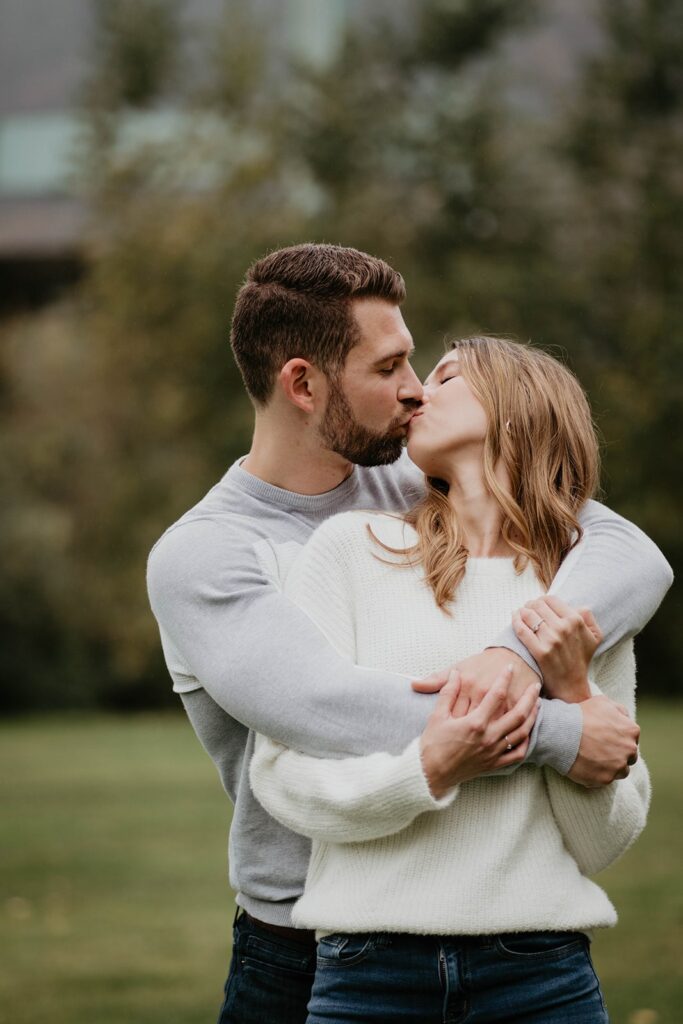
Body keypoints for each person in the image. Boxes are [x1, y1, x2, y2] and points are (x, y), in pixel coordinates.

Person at [146, 245, 672, 1024]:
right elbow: (331, 713)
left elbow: (626, 554)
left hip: (511, 942)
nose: (415, 389)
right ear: (302, 383)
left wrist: (515, 656)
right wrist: (561, 732)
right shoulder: (209, 555)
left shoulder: (416, 477)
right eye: (389, 368)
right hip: (302, 941)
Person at [250, 335, 655, 1023]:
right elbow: (283, 778)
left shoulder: (579, 591)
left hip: (541, 977)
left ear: (516, 406)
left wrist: (577, 697)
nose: (415, 392)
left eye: (444, 375)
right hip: (366, 976)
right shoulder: (349, 552)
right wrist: (429, 768)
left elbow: (601, 842)